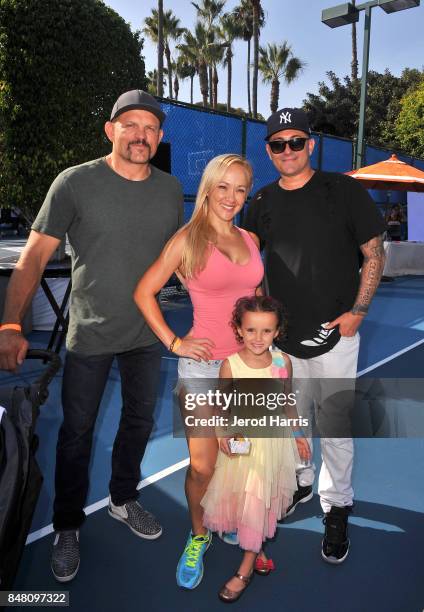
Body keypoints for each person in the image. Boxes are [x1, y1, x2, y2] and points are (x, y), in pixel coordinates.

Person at [0, 90, 184, 582]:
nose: (140, 134)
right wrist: (11, 324)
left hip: (149, 335)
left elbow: (182, 259)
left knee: (139, 422)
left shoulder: (170, 190)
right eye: (131, 124)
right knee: (76, 434)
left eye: (149, 127)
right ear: (111, 130)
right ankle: (66, 525)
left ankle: (124, 499)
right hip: (90, 334)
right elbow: (34, 257)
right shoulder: (74, 183)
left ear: (159, 137)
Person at [244, 107, 386, 564]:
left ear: (312, 144)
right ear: (268, 151)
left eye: (296, 142)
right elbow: (244, 261)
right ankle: (301, 482)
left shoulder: (343, 190)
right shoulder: (262, 202)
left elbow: (374, 252)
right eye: (278, 144)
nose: (288, 151)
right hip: (282, 340)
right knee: (293, 420)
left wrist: (357, 312)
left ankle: (337, 504)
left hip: (335, 336)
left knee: (335, 424)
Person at [133, 154, 263, 589]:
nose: (231, 197)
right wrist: (174, 342)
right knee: (203, 466)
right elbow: (144, 292)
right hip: (203, 366)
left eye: (240, 188)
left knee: (239, 458)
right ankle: (199, 532)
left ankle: (224, 518)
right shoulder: (187, 240)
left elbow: (257, 297)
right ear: (208, 188)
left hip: (247, 367)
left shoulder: (251, 239)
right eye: (223, 187)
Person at [201, 295, 311, 603]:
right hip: (241, 444)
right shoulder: (230, 365)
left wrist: (299, 433)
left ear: (277, 331)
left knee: (258, 501)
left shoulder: (282, 362)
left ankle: (245, 569)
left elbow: (286, 401)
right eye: (251, 330)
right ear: (239, 329)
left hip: (272, 447)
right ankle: (258, 547)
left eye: (266, 331)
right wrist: (222, 433)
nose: (258, 338)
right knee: (245, 502)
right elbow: (220, 405)